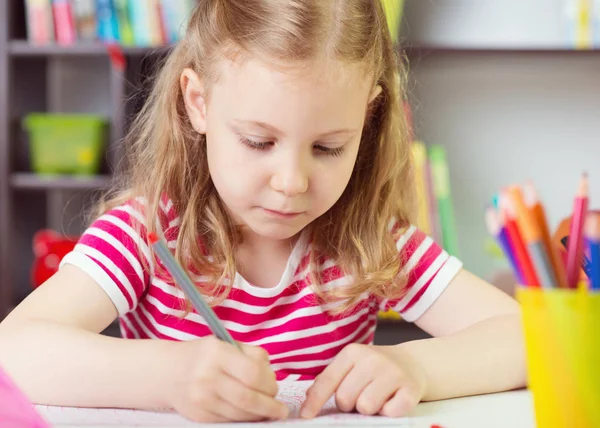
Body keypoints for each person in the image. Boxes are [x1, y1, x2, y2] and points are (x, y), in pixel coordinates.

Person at [0, 0, 526, 423]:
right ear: (198, 103)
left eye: (328, 148)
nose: (291, 182)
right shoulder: (143, 233)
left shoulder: (370, 238)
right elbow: (14, 350)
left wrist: (415, 365)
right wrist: (171, 377)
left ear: (367, 116)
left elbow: (525, 339)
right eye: (257, 141)